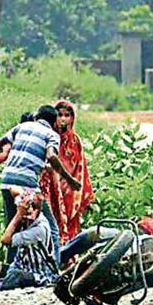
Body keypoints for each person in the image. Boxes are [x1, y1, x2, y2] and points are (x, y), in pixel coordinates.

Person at [0, 105, 82, 266]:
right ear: (54, 122)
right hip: (27, 184)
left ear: (37, 116)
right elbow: (52, 156)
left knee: (12, 225)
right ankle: (54, 268)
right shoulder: (52, 135)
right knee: (52, 227)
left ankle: (10, 268)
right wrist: (70, 180)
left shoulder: (21, 127)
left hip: (6, 181)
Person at [40, 100, 95, 245]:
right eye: (60, 115)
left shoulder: (75, 140)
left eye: (67, 115)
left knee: (70, 226)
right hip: (51, 188)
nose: (63, 119)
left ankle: (69, 260)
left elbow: (81, 168)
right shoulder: (49, 137)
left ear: (72, 118)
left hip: (71, 192)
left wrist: (82, 194)